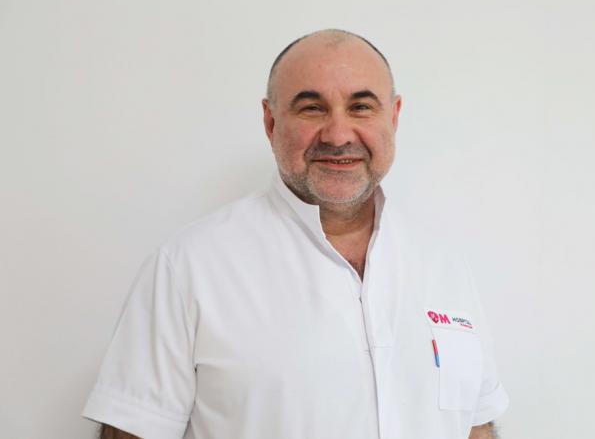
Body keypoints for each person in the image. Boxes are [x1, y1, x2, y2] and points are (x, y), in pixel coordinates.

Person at [82, 28, 509, 439]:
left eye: (361, 107)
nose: (338, 135)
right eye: (312, 108)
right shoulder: (187, 268)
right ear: (270, 122)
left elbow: (476, 426)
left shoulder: (444, 267)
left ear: (393, 117)